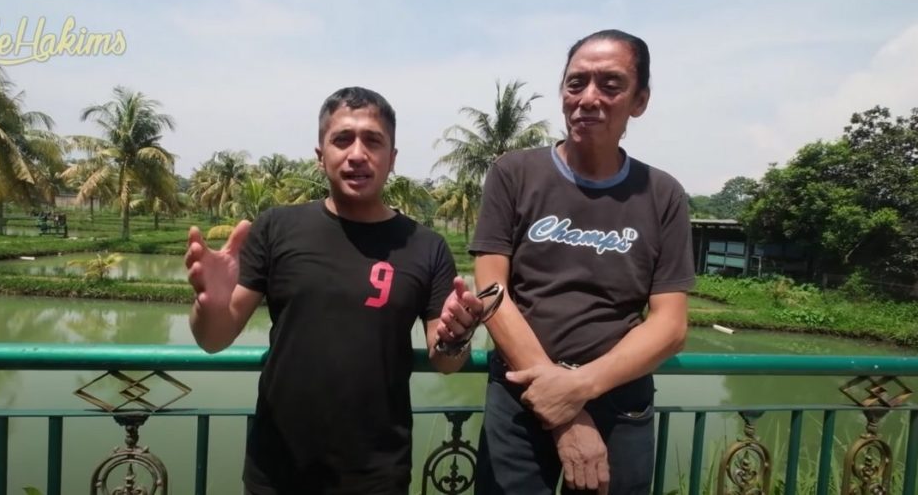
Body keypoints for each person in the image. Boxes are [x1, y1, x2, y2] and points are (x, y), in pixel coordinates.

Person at [185, 87, 482, 495]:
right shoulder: (276, 228)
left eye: (373, 140)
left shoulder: (425, 246)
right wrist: (210, 305)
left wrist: (458, 334)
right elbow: (214, 338)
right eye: (342, 139)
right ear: (320, 153)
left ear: (392, 159)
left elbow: (446, 361)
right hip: (278, 468)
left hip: (377, 473)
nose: (357, 153)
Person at [470, 30, 695, 494]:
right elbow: (492, 291)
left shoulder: (662, 194)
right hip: (520, 390)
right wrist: (560, 404)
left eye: (610, 85)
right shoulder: (514, 173)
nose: (588, 98)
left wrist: (579, 388)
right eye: (576, 83)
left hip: (619, 401)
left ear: (640, 101)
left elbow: (670, 324)